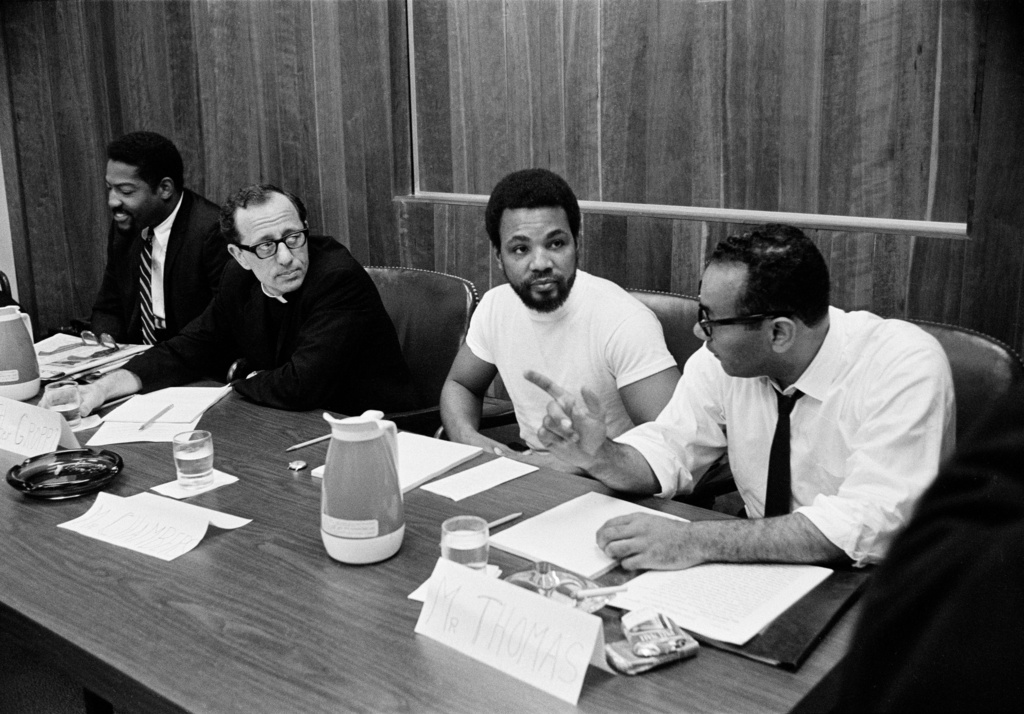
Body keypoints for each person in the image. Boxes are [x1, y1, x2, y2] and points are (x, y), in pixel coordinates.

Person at [529, 224, 955, 569]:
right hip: (758, 569)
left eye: (711, 320)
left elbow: (866, 523)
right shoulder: (720, 361)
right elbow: (670, 447)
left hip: (873, 584)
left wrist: (696, 540)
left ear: (779, 333)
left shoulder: (902, 364)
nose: (700, 332)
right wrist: (600, 454)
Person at [79, 184, 415, 415]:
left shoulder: (337, 278)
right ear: (238, 255)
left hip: (375, 428)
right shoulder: (238, 278)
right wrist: (103, 389)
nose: (286, 257)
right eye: (266, 246)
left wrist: (239, 383)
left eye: (294, 237)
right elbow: (191, 348)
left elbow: (301, 385)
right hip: (292, 425)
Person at [440, 168, 680, 471]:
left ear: (576, 244)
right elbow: (460, 384)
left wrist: (580, 463)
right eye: (520, 249)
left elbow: (674, 441)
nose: (540, 263)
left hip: (615, 482)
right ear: (499, 257)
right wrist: (468, 438)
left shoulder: (623, 320)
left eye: (555, 244)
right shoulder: (495, 307)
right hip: (532, 474)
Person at [837, 383, 1024, 713]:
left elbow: (872, 519)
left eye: (711, 327)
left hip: (865, 581)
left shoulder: (903, 362)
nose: (709, 343)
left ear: (780, 331)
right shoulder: (729, 368)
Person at [91, 131, 227, 344]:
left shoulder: (211, 232)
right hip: (135, 357)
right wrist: (107, 341)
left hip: (193, 362)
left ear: (165, 188)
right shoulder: (126, 227)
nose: (112, 202)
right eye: (110, 189)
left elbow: (221, 324)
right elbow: (108, 307)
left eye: (125, 191)